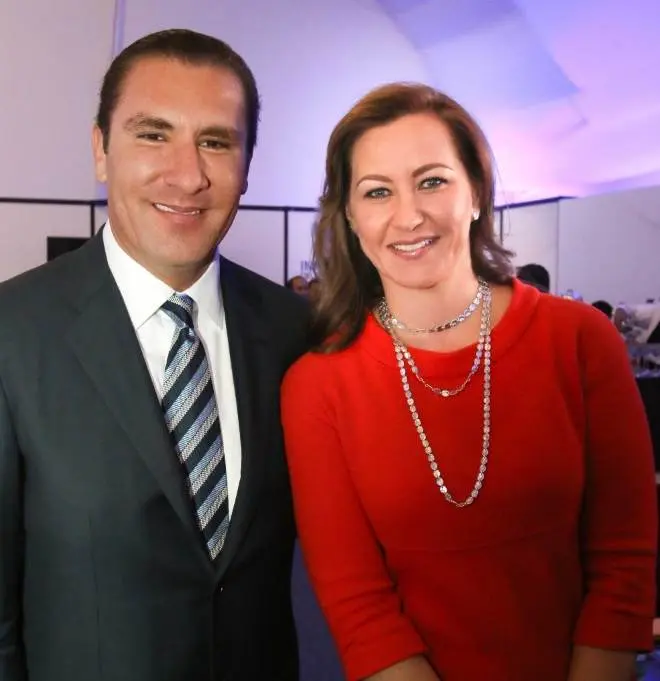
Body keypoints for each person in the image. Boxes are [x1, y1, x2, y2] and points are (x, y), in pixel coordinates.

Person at [281, 83, 657, 681]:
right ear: (350, 217)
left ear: (477, 192)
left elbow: (624, 560)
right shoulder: (318, 385)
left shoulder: (581, 340)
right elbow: (360, 610)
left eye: (432, 181)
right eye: (377, 192)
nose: (409, 215)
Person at [0, 29, 308, 681]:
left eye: (216, 142)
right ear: (100, 150)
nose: (188, 174)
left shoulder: (296, 333)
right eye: (153, 134)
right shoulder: (12, 333)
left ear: (247, 165)